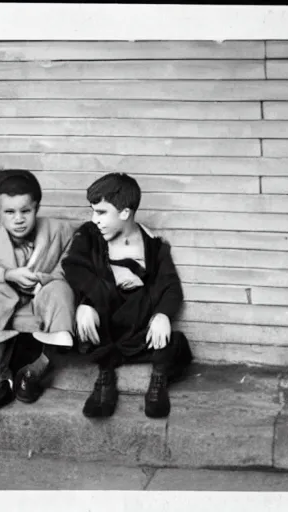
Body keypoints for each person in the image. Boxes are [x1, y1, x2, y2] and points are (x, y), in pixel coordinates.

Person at [61, 173, 193, 419]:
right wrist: (87, 303)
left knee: (173, 344)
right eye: (93, 212)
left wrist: (162, 315)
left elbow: (170, 286)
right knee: (85, 333)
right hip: (105, 319)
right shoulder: (90, 235)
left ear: (124, 213)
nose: (94, 219)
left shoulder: (153, 246)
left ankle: (158, 379)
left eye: (101, 213)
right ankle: (106, 377)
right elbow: (74, 268)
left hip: (137, 323)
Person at [0, 170, 76, 418]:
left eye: (25, 211)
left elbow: (69, 268)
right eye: (9, 212)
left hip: (44, 294)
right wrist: (7, 274)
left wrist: (43, 280)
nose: (18, 219)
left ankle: (36, 370)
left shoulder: (61, 231)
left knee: (61, 292)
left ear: (37, 208)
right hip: (7, 295)